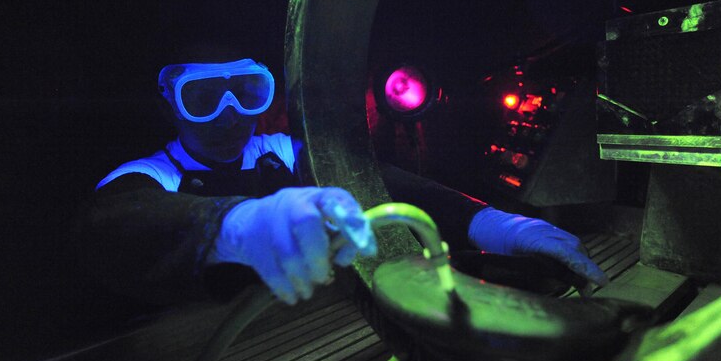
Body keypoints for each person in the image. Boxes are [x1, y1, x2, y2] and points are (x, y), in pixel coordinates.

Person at [77, 57, 607, 307]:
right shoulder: (152, 175)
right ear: (171, 105)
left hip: (303, 332)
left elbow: (383, 183)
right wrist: (236, 225)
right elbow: (112, 222)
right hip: (202, 348)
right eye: (203, 96)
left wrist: (492, 223)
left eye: (245, 89)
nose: (229, 113)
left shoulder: (280, 152)